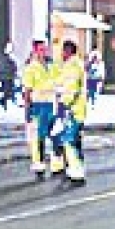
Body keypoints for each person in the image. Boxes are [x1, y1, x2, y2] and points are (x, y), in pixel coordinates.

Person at [51, 40, 88, 188]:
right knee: (71, 141)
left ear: (67, 51)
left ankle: (76, 174)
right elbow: (59, 82)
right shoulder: (73, 65)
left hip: (72, 110)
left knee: (69, 142)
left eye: (63, 51)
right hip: (75, 109)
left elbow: (71, 89)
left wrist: (65, 105)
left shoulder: (73, 66)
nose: (61, 54)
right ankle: (73, 170)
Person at [22, 40, 57, 180]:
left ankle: (57, 166)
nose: (44, 52)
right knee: (38, 138)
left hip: (52, 104)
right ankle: (39, 166)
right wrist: (27, 109)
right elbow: (27, 91)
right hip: (38, 105)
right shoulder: (31, 68)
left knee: (55, 135)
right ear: (35, 51)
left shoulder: (51, 66)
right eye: (41, 50)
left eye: (45, 49)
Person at [0, 43, 19, 110]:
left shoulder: (6, 57)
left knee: (8, 90)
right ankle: (4, 102)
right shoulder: (2, 57)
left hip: (7, 76)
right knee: (6, 90)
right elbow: (2, 67)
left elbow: (13, 66)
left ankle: (5, 102)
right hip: (6, 76)